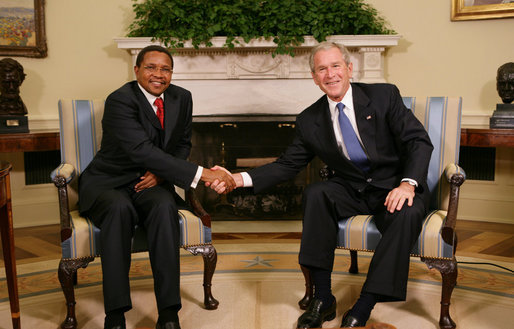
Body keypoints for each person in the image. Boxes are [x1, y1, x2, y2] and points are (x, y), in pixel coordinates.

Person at [211, 42, 433, 328]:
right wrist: (235, 178)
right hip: (351, 189)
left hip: (393, 186)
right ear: (315, 78)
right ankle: (323, 298)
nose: (330, 74)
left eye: (336, 66)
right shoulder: (309, 120)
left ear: (349, 69)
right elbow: (287, 164)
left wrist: (407, 184)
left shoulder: (383, 95)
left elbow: (418, 140)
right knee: (316, 193)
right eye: (322, 69)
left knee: (409, 212)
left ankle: (365, 302)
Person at [78, 45, 235, 329]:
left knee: (164, 207)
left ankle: (168, 314)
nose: (158, 75)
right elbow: (140, 150)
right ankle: (115, 315)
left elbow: (183, 143)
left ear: (171, 73)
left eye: (165, 69)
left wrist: (162, 177)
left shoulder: (181, 98)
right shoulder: (120, 100)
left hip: (152, 182)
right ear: (136, 70)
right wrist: (204, 175)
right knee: (119, 209)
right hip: (109, 181)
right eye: (151, 67)